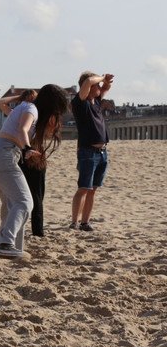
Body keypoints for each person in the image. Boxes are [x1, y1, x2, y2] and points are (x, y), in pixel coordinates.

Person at [0, 84, 69, 258]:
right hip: (5, 153)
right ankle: (5, 243)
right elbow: (23, 129)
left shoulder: (26, 107)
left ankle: (11, 247)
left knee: (11, 204)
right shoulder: (32, 109)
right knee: (24, 202)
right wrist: (27, 149)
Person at [0, 89, 49, 237]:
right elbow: (0, 102)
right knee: (29, 196)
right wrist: (21, 97)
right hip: (25, 152)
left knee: (28, 196)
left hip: (28, 153)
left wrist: (21, 98)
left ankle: (33, 230)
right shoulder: (21, 112)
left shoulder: (25, 113)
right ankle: (32, 231)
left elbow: (1, 102)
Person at [70, 72, 114, 231]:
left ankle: (85, 222)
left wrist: (106, 82)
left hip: (102, 152)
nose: (99, 87)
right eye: (97, 85)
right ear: (87, 88)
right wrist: (101, 77)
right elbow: (89, 80)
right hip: (88, 152)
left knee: (93, 189)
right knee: (83, 188)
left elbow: (106, 88)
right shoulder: (80, 103)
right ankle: (74, 222)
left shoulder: (96, 102)